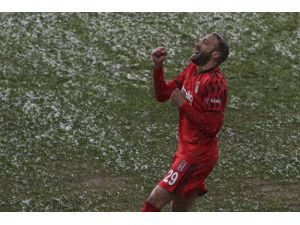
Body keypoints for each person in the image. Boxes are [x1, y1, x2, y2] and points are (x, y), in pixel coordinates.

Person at [141, 32, 229, 212]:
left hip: (197, 157)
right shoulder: (192, 70)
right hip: (186, 151)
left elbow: (211, 128)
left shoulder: (214, 83)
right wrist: (158, 67)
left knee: (153, 202)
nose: (197, 44)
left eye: (204, 43)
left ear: (216, 55)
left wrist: (183, 104)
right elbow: (163, 94)